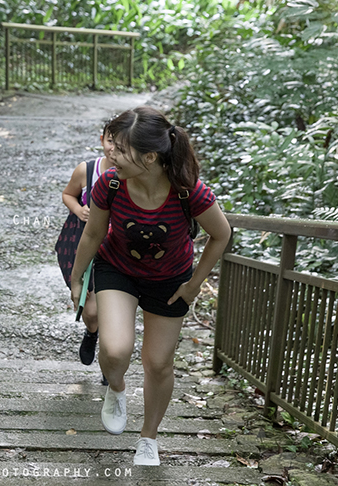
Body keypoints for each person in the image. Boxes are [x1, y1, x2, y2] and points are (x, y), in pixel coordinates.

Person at [69, 106, 231, 466]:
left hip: (170, 279)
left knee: (158, 363)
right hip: (118, 270)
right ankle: (117, 388)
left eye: (120, 148)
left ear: (150, 156)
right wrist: (78, 276)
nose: (110, 153)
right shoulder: (109, 183)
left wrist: (193, 285)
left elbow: (221, 235)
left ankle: (148, 438)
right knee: (114, 349)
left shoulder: (189, 193)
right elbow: (94, 232)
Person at [60, 128, 116, 367]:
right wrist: (77, 209)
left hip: (116, 249)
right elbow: (68, 194)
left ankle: (110, 361)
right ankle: (92, 332)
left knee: (113, 309)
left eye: (122, 143)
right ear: (102, 140)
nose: (114, 149)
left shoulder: (136, 174)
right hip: (83, 243)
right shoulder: (87, 170)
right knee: (91, 311)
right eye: (111, 141)